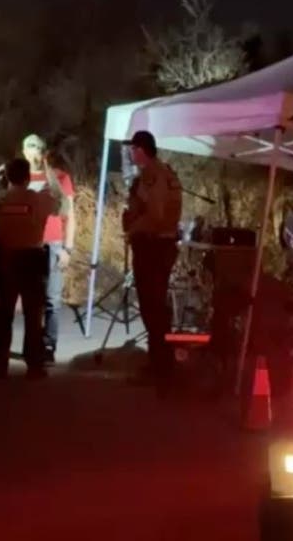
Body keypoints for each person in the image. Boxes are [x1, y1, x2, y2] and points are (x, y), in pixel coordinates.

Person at [0, 157, 65, 379]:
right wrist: (50, 174)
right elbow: (60, 202)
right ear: (28, 176)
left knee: (4, 314)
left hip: (7, 258)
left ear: (6, 177)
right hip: (32, 259)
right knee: (34, 316)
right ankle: (34, 365)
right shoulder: (38, 200)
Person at [121, 130, 183, 395]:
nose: (131, 154)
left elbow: (155, 214)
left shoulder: (151, 174)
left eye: (133, 149)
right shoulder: (166, 171)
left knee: (152, 307)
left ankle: (161, 367)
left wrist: (132, 229)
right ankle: (159, 363)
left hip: (153, 244)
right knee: (155, 307)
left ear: (141, 149)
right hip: (161, 244)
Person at [21, 134, 76, 363]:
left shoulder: (59, 177)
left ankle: (49, 345)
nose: (32, 152)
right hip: (26, 245)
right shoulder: (17, 178)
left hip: (52, 244)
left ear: (44, 152)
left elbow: (70, 214)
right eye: (28, 147)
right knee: (30, 300)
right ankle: (31, 344)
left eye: (36, 148)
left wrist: (68, 248)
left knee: (52, 299)